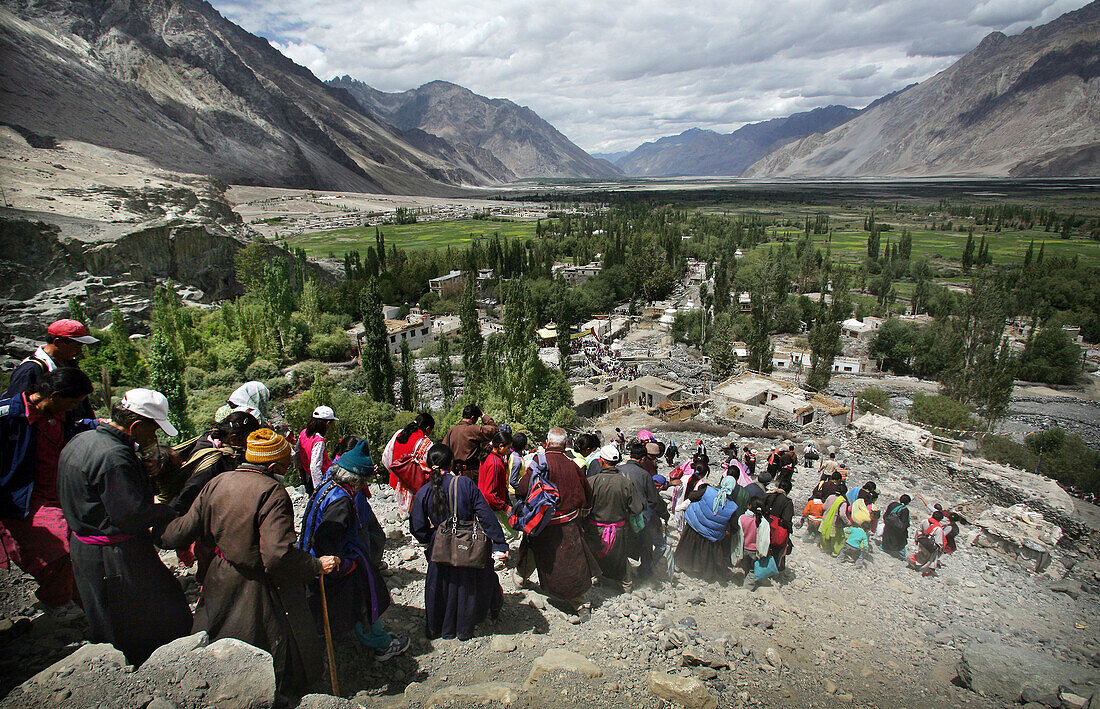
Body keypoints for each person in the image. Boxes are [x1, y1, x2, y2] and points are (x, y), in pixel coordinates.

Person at [158, 428, 338, 692]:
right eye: (287, 464)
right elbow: (277, 556)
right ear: (273, 464)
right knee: (268, 649)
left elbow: (178, 533)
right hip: (257, 586)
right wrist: (314, 565)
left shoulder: (218, 482)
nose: (288, 470)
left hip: (219, 575)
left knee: (217, 641)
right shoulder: (273, 492)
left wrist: (153, 521)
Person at [58, 389, 192, 664]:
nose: (153, 438)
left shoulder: (82, 440)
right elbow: (130, 516)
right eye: (153, 430)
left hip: (87, 547)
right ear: (136, 426)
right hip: (115, 555)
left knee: (107, 614)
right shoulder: (114, 457)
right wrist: (167, 511)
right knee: (146, 617)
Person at [299, 440, 408, 660]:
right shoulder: (341, 501)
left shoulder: (328, 484)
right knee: (362, 600)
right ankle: (380, 643)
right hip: (334, 562)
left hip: (310, 555)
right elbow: (327, 537)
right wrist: (344, 564)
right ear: (357, 480)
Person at [0, 367, 95, 616]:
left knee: (83, 539)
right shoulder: (8, 417)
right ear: (53, 396)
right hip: (22, 499)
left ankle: (80, 597)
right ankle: (57, 602)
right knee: (61, 545)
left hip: (59, 492)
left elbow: (76, 426)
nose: (73, 407)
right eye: (72, 402)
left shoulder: (61, 415)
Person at [411, 443, 507, 640]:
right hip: (466, 548)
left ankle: (437, 628)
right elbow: (485, 515)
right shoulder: (464, 484)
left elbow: (417, 527)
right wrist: (499, 543)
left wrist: (434, 538)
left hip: (439, 551)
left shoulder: (424, 491)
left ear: (428, 465)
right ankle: (465, 627)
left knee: (438, 587)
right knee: (471, 583)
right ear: (452, 462)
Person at [513, 428, 598, 615]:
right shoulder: (574, 466)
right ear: (565, 444)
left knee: (530, 549)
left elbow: (522, 488)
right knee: (571, 562)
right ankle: (579, 601)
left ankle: (520, 578)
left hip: (541, 523)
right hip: (568, 524)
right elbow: (587, 494)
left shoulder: (538, 462)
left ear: (547, 442)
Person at [3, 319, 99, 439]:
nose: (80, 350)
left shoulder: (69, 364)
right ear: (58, 342)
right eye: (77, 345)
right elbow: (16, 411)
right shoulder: (31, 369)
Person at [585, 445, 642, 592]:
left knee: (594, 555)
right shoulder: (626, 483)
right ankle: (626, 586)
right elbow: (636, 508)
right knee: (620, 558)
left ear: (601, 461)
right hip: (619, 529)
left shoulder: (592, 482)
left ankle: (595, 580)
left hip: (595, 529)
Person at [674, 476, 739, 583]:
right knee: (706, 553)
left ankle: (681, 565)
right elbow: (734, 525)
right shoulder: (732, 506)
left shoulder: (708, 491)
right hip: (711, 533)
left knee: (687, 546)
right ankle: (703, 573)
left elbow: (692, 496)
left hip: (695, 523)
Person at [620, 442, 668, 582]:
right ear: (642, 459)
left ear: (629, 455)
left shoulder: (618, 469)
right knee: (646, 546)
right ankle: (645, 573)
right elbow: (653, 500)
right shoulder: (644, 475)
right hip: (641, 517)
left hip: (621, 515)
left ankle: (623, 572)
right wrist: (663, 514)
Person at [383, 413, 435, 517]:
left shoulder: (399, 434)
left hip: (395, 482)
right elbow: (428, 469)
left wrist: (395, 472)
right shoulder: (426, 443)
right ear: (428, 428)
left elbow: (386, 457)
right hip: (412, 487)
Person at [442, 404, 498, 479]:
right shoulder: (473, 430)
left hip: (454, 474)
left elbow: (443, 451)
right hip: (472, 474)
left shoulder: (451, 431)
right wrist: (483, 415)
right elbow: (494, 430)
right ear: (472, 417)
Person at [477, 432, 514, 540]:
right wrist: (505, 507)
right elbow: (490, 493)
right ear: (500, 446)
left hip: (486, 504)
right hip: (493, 507)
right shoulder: (495, 462)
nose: (509, 451)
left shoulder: (489, 457)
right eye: (508, 448)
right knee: (507, 534)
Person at [298, 405, 338, 495]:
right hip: (318, 478)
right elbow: (315, 467)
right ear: (327, 423)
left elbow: (298, 453)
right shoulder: (319, 441)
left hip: (307, 474)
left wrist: (301, 470)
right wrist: (319, 489)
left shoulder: (303, 433)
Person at [732, 498, 770, 589]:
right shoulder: (763, 522)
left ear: (749, 506)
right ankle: (747, 588)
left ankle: (746, 581)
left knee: (746, 567)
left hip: (744, 548)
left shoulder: (742, 518)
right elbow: (765, 540)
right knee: (753, 570)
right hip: (755, 551)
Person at [762, 481, 795, 571]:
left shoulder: (768, 496)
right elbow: (786, 519)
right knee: (778, 550)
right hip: (777, 530)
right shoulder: (787, 502)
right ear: (788, 491)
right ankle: (774, 569)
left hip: (764, 527)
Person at [908, 511, 945, 576]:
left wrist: (917, 539)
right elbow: (939, 542)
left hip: (922, 541)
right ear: (940, 519)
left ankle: (915, 563)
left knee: (921, 555)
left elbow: (919, 530)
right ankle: (924, 570)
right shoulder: (938, 529)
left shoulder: (925, 521)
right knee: (929, 559)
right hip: (930, 545)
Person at [819, 492, 850, 557]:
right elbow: (842, 514)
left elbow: (824, 507)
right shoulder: (843, 502)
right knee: (837, 538)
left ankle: (824, 549)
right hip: (834, 522)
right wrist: (847, 522)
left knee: (824, 535)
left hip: (825, 520)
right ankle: (835, 552)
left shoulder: (830, 496)